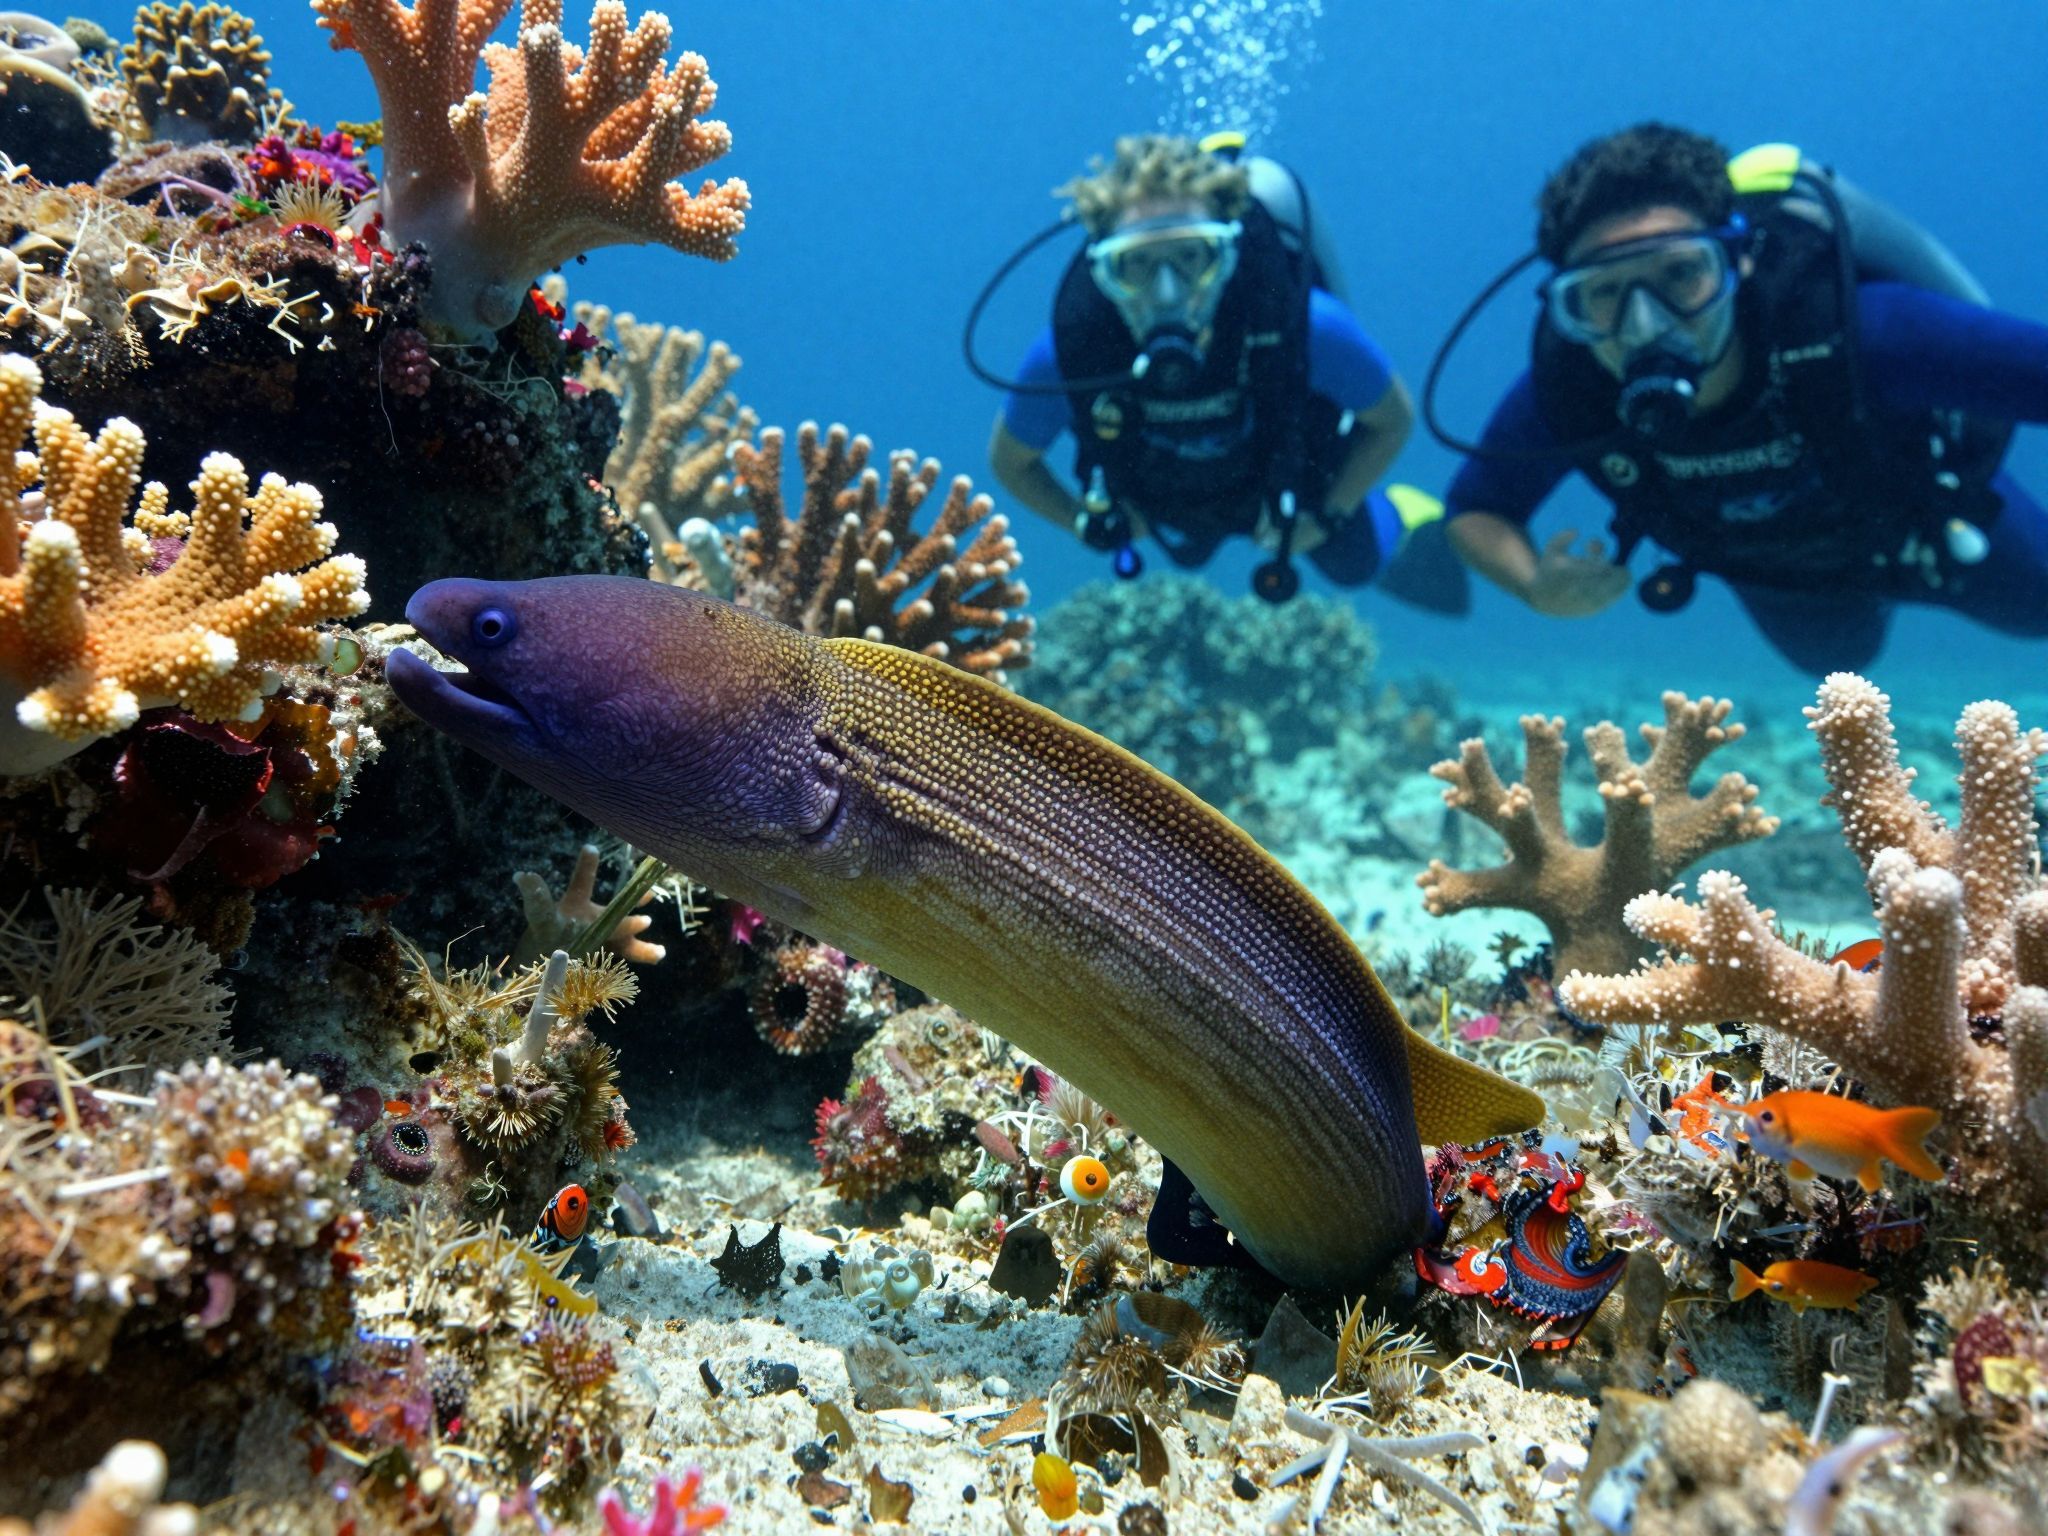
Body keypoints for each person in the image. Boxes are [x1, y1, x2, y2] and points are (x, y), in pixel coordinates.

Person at [1441, 123, 2048, 672]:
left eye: (1681, 275)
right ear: (1569, 310)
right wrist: (1532, 586)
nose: (1646, 325)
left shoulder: (1855, 333)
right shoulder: (1574, 390)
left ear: (1740, 263)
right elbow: (1476, 506)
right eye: (1604, 294)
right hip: (1783, 586)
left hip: (1938, 525)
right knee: (1836, 663)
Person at [986, 133, 1467, 609]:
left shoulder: (1306, 326)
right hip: (1162, 493)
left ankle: (1402, 507)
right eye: (1136, 266)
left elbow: (1392, 419)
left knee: (1354, 564)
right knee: (1189, 554)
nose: (1168, 294)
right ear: (1103, 272)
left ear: (1228, 256)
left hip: (1283, 477)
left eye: (1193, 257)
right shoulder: (1069, 353)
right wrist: (1079, 519)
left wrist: (1327, 517)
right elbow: (1011, 461)